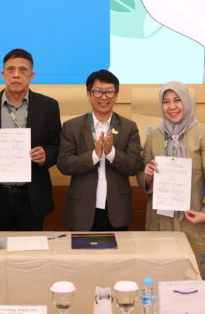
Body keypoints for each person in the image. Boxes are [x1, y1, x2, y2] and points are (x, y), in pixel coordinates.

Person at [138, 82, 205, 289]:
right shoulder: (154, 136)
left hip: (194, 220)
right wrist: (147, 175)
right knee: (161, 280)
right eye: (166, 102)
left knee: (194, 285)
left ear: (186, 101)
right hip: (161, 221)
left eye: (177, 100)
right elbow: (141, 177)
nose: (172, 106)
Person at [0, 49, 62, 231]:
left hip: (32, 196)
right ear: (3, 74)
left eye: (22, 70)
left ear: (32, 75)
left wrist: (47, 155)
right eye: (11, 69)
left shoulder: (49, 106)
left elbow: (57, 145)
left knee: (30, 248)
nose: (16, 75)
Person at [57, 69, 143, 231]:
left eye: (109, 92)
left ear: (116, 95)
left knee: (118, 249)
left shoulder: (129, 127)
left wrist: (111, 153)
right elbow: (64, 164)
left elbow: (134, 166)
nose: (104, 97)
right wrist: (94, 156)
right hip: (81, 209)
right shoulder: (72, 127)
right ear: (88, 94)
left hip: (117, 209)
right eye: (98, 92)